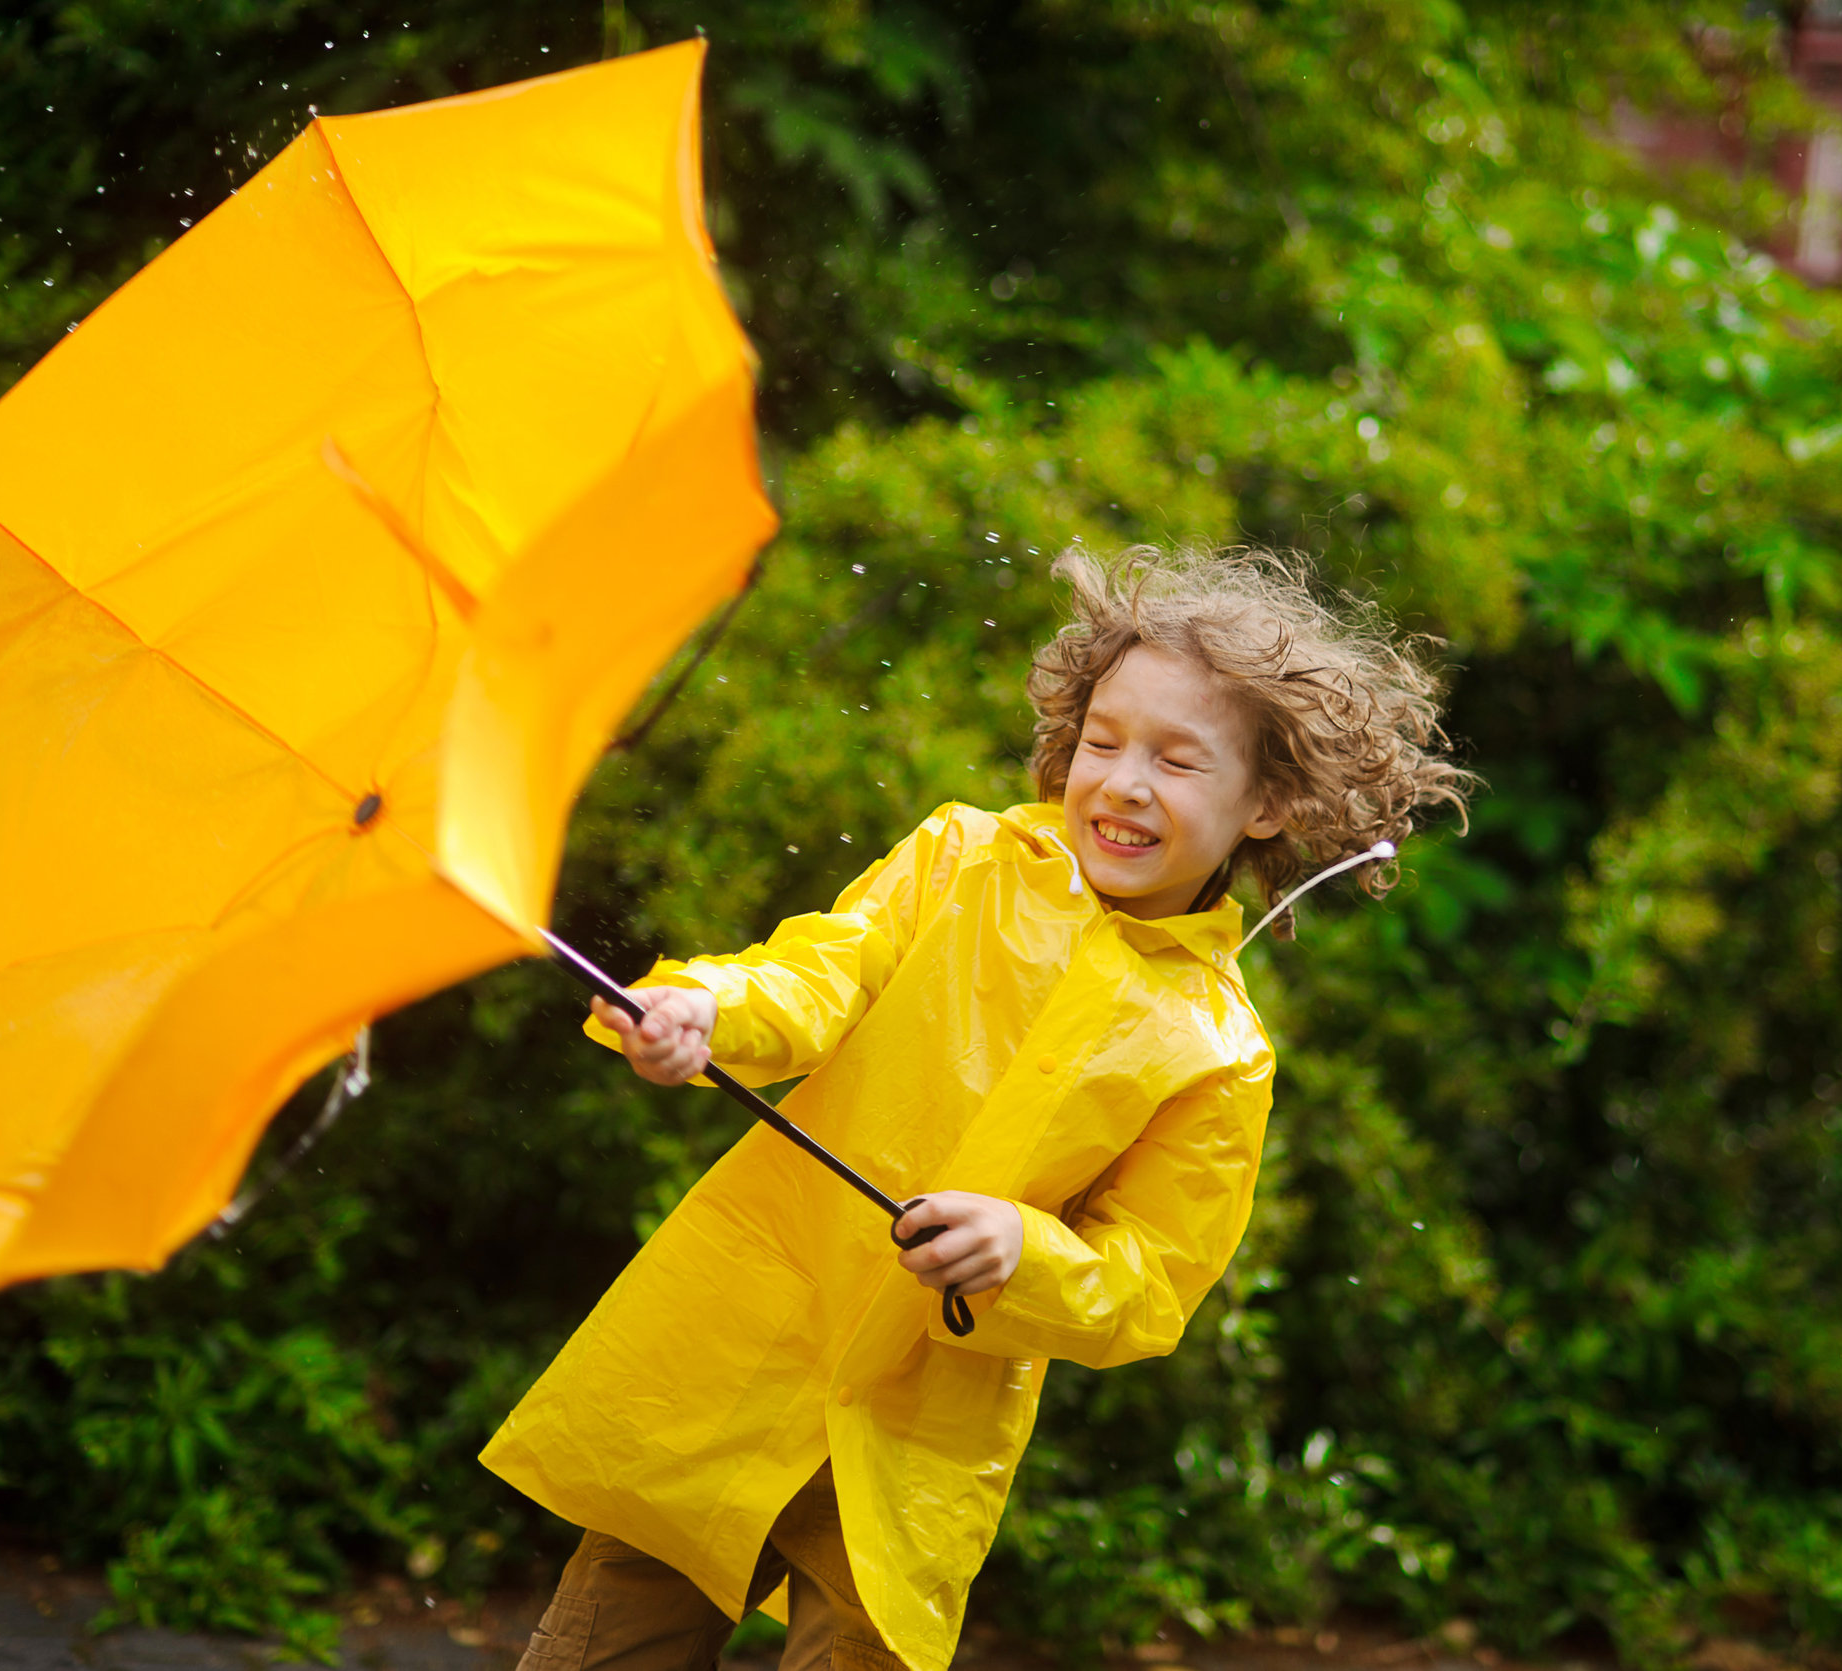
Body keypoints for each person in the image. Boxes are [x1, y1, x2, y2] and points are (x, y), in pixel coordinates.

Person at [482, 545, 1470, 1671]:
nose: (1124, 783)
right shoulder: (961, 860)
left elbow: (1148, 1282)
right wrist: (708, 1006)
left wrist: (1023, 1254)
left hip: (915, 1444)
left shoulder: (1217, 1052)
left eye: (1177, 760)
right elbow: (821, 974)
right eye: (1103, 741)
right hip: (736, 1357)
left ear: (1269, 804)